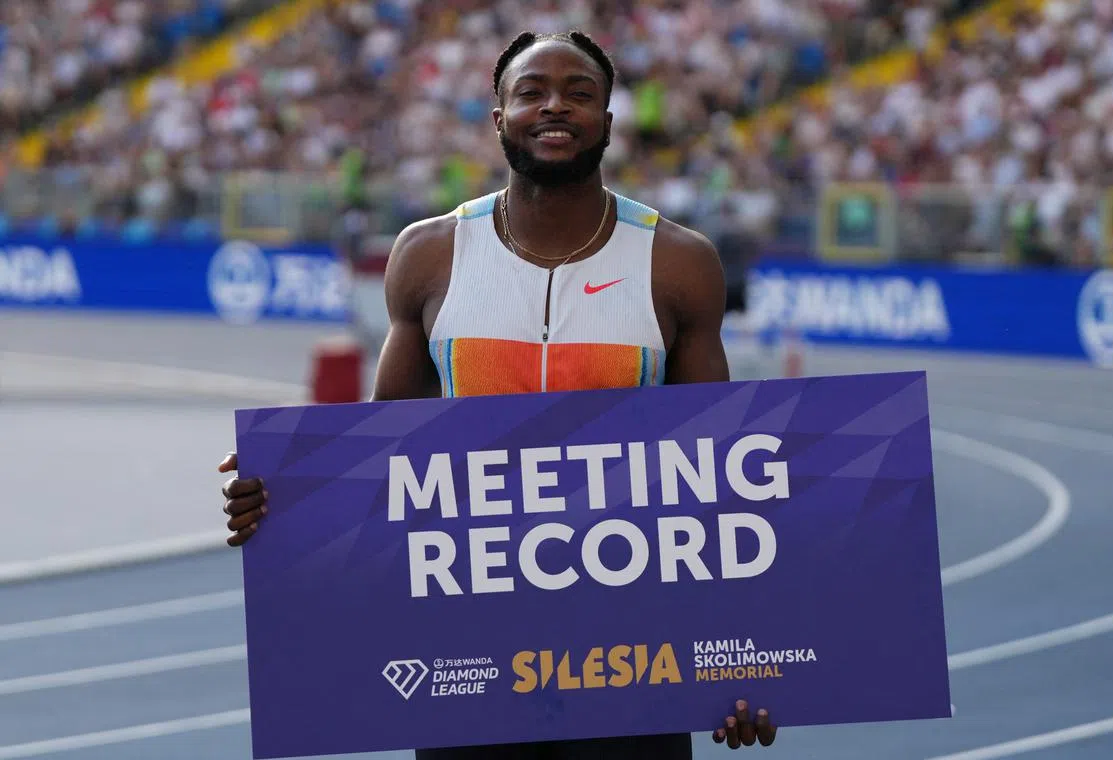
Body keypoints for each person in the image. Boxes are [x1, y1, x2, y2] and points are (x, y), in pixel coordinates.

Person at [219, 29, 778, 759]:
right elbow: (385, 460)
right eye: (532, 92)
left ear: (608, 121)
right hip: (468, 666)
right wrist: (286, 494)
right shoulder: (430, 255)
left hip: (630, 664)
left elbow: (715, 484)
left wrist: (745, 673)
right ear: (498, 118)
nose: (556, 107)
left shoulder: (677, 264)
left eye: (580, 94)